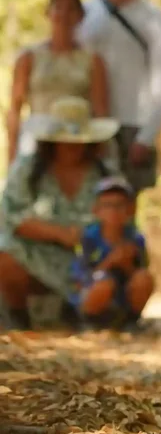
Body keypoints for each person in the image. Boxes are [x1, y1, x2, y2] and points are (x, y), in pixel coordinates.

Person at [0, 97, 118, 331]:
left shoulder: (106, 174)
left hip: (90, 260)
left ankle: (88, 314)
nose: (72, 147)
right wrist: (59, 234)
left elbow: (121, 220)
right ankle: (16, 316)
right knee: (5, 255)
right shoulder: (28, 169)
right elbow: (10, 215)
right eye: (65, 141)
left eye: (78, 141)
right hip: (36, 254)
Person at [76, 0, 161, 196]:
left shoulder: (153, 17)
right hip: (91, 122)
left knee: (125, 207)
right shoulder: (85, 12)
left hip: (134, 123)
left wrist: (147, 136)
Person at [8, 0, 109, 166]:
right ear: (48, 13)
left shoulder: (92, 60)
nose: (64, 14)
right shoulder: (29, 57)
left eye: (71, 8)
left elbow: (100, 110)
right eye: (58, 7)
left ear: (80, 17)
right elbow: (15, 109)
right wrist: (12, 154)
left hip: (77, 141)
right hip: (36, 139)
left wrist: (100, 152)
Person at [68, 176, 153, 331]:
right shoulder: (88, 239)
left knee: (144, 278)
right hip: (95, 296)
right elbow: (79, 280)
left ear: (130, 210)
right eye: (107, 205)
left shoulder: (135, 238)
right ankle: (90, 322)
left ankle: (131, 321)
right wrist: (110, 262)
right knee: (104, 283)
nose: (113, 211)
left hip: (122, 300)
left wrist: (126, 264)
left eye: (119, 205)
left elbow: (140, 274)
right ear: (96, 210)